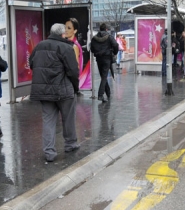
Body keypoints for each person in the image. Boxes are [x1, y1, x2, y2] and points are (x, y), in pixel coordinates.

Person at [29, 23, 80, 162]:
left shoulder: (39, 46)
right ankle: (70, 144)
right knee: (68, 118)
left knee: (48, 121)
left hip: (44, 91)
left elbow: (31, 63)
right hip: (64, 90)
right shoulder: (67, 47)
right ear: (63, 34)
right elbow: (73, 71)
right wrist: (75, 87)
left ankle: (49, 152)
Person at [90, 23, 118, 102]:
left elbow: (92, 49)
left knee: (103, 76)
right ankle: (100, 95)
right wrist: (114, 53)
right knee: (104, 77)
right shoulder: (109, 37)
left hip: (99, 59)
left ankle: (108, 93)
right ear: (106, 29)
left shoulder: (94, 38)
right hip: (107, 58)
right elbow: (115, 45)